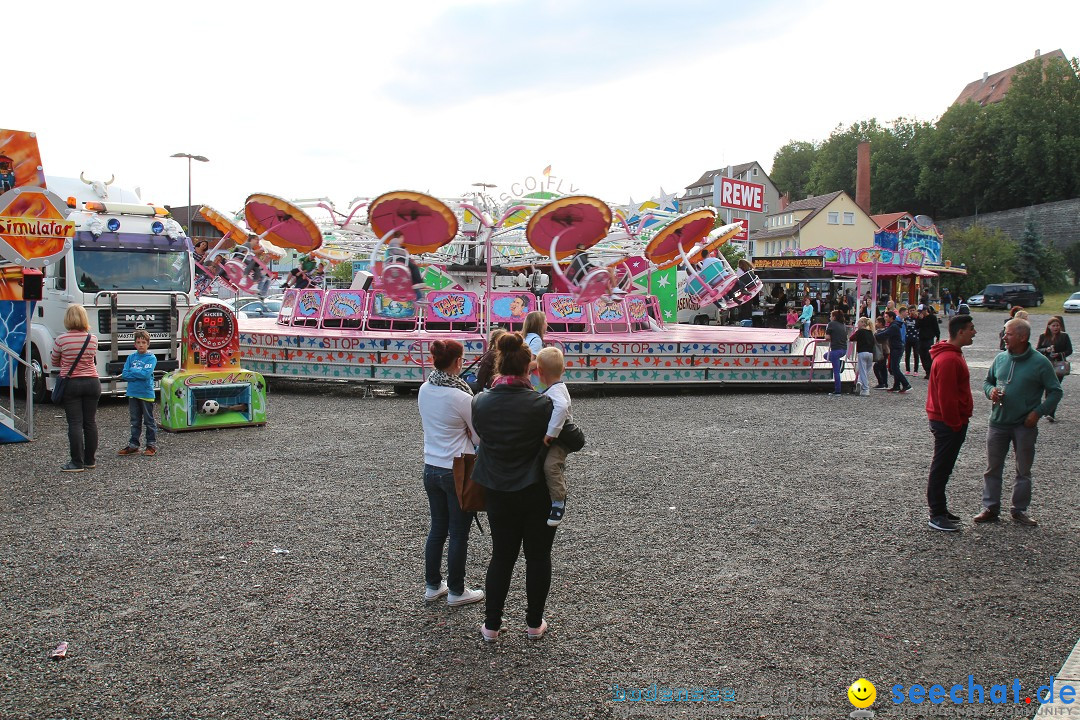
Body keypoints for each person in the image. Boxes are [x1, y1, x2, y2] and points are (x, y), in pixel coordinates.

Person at [471, 333, 557, 642]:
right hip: (536, 489)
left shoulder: (480, 402)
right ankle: (534, 624)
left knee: (502, 556)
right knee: (537, 556)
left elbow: (480, 437)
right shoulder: (542, 404)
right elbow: (571, 438)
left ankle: (491, 625)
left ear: (499, 364)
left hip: (498, 489)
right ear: (529, 368)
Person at [975, 318, 1063, 527]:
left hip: (1024, 425)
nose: (1004, 337)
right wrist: (990, 392)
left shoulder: (1040, 362)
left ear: (1023, 337)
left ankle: (1019, 510)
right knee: (992, 468)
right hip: (998, 422)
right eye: (1004, 333)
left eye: (1008, 333)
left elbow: (1056, 392)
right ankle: (990, 508)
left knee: (1023, 469)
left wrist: (1038, 412)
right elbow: (988, 381)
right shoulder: (1000, 359)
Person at [417, 339, 485, 607]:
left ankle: (433, 585)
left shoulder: (424, 389)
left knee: (437, 529)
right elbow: (478, 437)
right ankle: (457, 590)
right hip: (457, 467)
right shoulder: (461, 396)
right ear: (458, 362)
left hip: (431, 465)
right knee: (458, 532)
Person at [924, 315, 977, 532]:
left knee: (944, 467)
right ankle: (936, 512)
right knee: (941, 466)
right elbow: (946, 396)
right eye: (971, 329)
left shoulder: (951, 355)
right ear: (961, 331)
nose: (975, 332)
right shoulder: (949, 359)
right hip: (947, 422)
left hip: (949, 420)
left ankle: (940, 509)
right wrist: (955, 423)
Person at [50, 305, 101, 472]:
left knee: (75, 423)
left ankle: (76, 462)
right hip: (93, 382)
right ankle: (90, 460)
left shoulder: (61, 339)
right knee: (90, 422)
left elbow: (54, 361)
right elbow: (93, 359)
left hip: (72, 383)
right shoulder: (92, 338)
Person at [536, 347, 577, 527]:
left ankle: (558, 502)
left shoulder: (555, 392)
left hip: (560, 438)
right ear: (563, 370)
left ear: (539, 372)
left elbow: (560, 408)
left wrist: (550, 433)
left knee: (550, 466)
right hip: (559, 436)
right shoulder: (557, 387)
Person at [118, 329, 158, 457]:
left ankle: (151, 445)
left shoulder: (151, 358)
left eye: (143, 342)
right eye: (138, 342)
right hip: (132, 393)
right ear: (134, 344)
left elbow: (146, 374)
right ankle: (133, 445)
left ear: (148, 344)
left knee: (149, 421)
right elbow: (124, 374)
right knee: (135, 421)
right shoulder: (131, 357)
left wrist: (133, 372)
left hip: (146, 394)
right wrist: (137, 373)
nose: (141, 345)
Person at [1035, 316, 1072, 422]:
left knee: (1055, 388)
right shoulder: (1043, 336)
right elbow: (1037, 350)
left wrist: (1059, 354)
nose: (1056, 327)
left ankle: (1051, 412)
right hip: (1046, 365)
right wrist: (1046, 350)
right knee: (1047, 388)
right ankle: (1046, 409)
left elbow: (1069, 350)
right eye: (1054, 325)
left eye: (1058, 325)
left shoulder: (1064, 336)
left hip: (1059, 366)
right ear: (1049, 326)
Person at [875, 310, 911, 393]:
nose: (885, 318)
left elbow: (886, 333)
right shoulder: (892, 325)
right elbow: (885, 332)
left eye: (887, 317)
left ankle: (906, 384)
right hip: (895, 348)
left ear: (891, 317)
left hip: (897, 348)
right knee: (893, 367)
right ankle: (896, 385)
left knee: (894, 367)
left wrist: (875, 335)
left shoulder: (894, 326)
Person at [472, 327, 507, 392]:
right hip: (494, 387)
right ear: (497, 340)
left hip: (491, 387)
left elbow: (482, 373)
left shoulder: (491, 354)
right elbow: (483, 373)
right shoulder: (495, 354)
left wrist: (479, 388)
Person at [824, 309, 848, 396]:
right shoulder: (843, 325)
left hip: (835, 349)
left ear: (834, 317)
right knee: (829, 357)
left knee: (836, 371)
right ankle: (840, 363)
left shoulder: (831, 324)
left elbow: (827, 337)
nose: (830, 318)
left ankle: (838, 390)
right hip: (843, 349)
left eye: (831, 316)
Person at [850, 316, 876, 396]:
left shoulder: (860, 332)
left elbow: (851, 338)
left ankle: (865, 388)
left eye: (859, 322)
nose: (858, 324)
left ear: (863, 323)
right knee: (866, 371)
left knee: (862, 371)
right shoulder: (871, 332)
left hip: (862, 352)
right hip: (870, 353)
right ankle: (859, 381)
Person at [916, 304, 941, 377]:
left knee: (928, 355)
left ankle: (931, 371)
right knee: (922, 355)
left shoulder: (932, 317)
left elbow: (936, 327)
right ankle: (927, 371)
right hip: (921, 339)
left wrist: (938, 336)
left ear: (925, 310)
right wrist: (920, 319)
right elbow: (917, 326)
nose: (920, 313)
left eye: (921, 311)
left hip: (929, 338)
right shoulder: (920, 318)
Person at [873, 315, 890, 389]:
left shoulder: (882, 331)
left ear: (880, 323)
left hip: (882, 351)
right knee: (883, 367)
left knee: (876, 367)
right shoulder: (885, 330)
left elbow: (877, 338)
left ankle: (881, 382)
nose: (875, 323)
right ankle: (885, 383)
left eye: (877, 322)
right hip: (884, 350)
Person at [902, 306, 920, 376]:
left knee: (916, 354)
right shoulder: (906, 319)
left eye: (913, 310)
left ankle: (916, 370)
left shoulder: (918, 319)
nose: (912, 312)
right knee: (907, 354)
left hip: (916, 338)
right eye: (910, 310)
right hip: (908, 338)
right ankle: (907, 369)